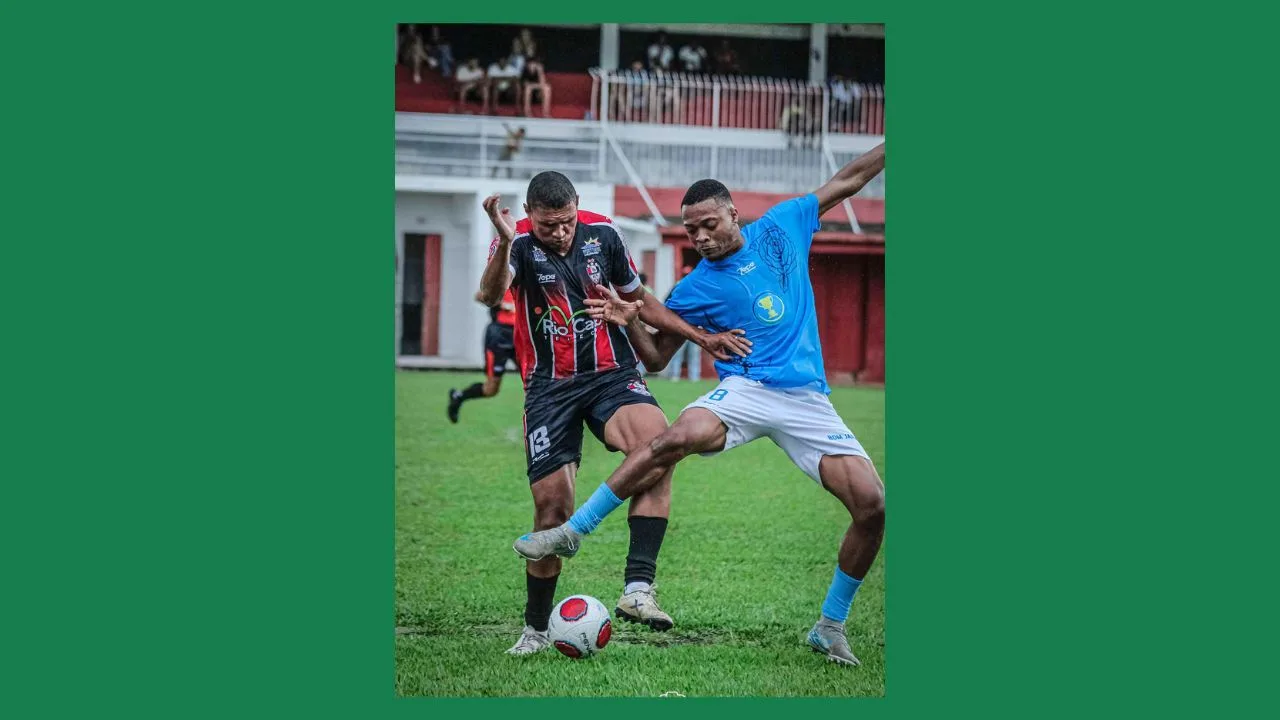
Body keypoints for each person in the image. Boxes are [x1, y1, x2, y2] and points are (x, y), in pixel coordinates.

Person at [511, 144, 887, 668]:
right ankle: (574, 532)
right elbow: (657, 358)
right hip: (746, 391)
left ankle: (829, 625)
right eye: (691, 232)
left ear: (734, 213)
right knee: (671, 438)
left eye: (709, 225)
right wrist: (630, 317)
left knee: (873, 505)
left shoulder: (784, 225)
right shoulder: (694, 287)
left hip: (807, 400)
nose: (701, 238)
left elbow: (847, 180)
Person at [477, 172, 752, 655]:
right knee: (551, 510)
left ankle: (637, 590)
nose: (559, 233)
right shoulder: (516, 241)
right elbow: (490, 294)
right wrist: (503, 241)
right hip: (549, 388)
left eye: (565, 223)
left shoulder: (603, 234)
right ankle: (536, 630)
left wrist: (700, 338)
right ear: (530, 216)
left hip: (611, 373)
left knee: (660, 447)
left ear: (577, 207)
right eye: (547, 226)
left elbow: (640, 300)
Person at [447, 288, 517, 422]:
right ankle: (459, 396)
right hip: (499, 336)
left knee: (533, 379)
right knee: (491, 389)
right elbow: (479, 296)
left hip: (521, 335)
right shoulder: (504, 278)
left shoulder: (529, 281)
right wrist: (502, 304)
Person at [663, 266, 702, 382]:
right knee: (678, 352)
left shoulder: (698, 287)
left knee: (693, 353)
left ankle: (694, 378)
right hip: (681, 325)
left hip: (695, 325)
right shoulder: (678, 286)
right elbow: (666, 303)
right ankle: (675, 375)